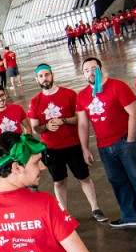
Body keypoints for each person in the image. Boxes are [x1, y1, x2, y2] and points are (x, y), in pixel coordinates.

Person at [77, 56, 136, 227]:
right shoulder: (83, 96)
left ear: (101, 68)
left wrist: (129, 139)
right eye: (86, 70)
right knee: (117, 181)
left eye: (94, 68)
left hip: (125, 140)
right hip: (104, 146)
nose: (90, 73)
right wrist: (85, 148)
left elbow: (134, 113)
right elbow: (83, 123)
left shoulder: (117, 86)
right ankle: (131, 216)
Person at [27, 64, 106, 222]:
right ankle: (64, 213)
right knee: (59, 181)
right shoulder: (35, 102)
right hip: (51, 149)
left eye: (47, 75)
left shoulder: (69, 94)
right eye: (41, 76)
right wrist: (47, 126)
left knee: (84, 177)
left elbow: (80, 118)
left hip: (73, 145)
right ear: (37, 79)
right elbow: (35, 128)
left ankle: (95, 208)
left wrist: (63, 120)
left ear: (52, 75)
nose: (45, 78)